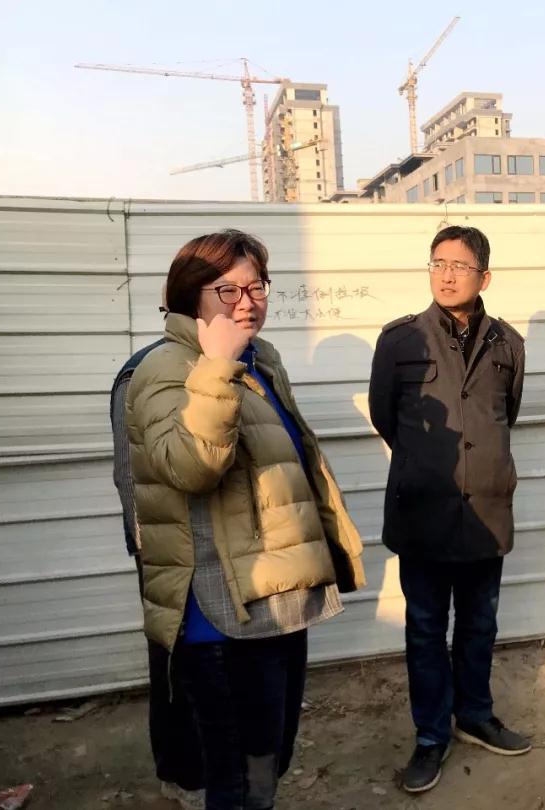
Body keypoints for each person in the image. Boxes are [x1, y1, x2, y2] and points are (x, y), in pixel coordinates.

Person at [125, 229, 365, 809]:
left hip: (278, 597)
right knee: (233, 775)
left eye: (257, 286)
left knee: (269, 757)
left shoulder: (262, 358)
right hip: (221, 615)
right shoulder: (163, 369)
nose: (247, 302)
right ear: (191, 295)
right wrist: (216, 367)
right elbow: (190, 468)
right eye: (227, 289)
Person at [368, 225, 530, 794]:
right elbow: (385, 416)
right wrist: (429, 465)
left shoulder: (508, 344)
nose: (446, 274)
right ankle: (431, 735)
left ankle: (475, 715)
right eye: (438, 263)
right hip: (423, 514)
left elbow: (506, 413)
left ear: (484, 277)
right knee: (425, 629)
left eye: (459, 265)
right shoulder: (400, 340)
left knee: (480, 624)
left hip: (486, 513)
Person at [110, 335, 205, 809]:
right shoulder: (141, 370)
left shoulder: (237, 361)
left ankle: (215, 765)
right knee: (175, 663)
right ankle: (181, 774)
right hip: (170, 550)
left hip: (223, 549)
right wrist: (152, 554)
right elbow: (130, 476)